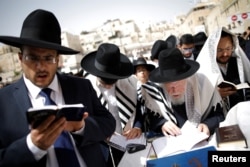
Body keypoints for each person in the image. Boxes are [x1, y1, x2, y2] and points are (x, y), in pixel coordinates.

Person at [0, 9, 115, 167]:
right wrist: (32, 146)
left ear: (57, 59)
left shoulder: (81, 86)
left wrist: (81, 127)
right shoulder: (3, 102)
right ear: (20, 58)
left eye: (48, 58)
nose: (41, 66)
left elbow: (109, 123)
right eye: (32, 57)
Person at [138, 48, 225, 138]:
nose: (175, 91)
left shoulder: (204, 85)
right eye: (170, 86)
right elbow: (151, 119)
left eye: (178, 84)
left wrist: (207, 125)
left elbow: (219, 116)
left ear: (187, 78)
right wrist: (162, 124)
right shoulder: (155, 91)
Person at [81, 43, 143, 166]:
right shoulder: (85, 86)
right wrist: (101, 131)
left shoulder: (130, 82)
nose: (109, 86)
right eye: (105, 81)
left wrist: (137, 126)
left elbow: (139, 109)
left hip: (128, 141)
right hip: (102, 147)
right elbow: (85, 119)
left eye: (112, 81)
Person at [196, 27, 250, 112]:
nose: (225, 54)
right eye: (219, 50)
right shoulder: (205, 69)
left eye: (228, 49)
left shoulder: (239, 62)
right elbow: (198, 102)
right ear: (212, 50)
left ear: (233, 46)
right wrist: (215, 96)